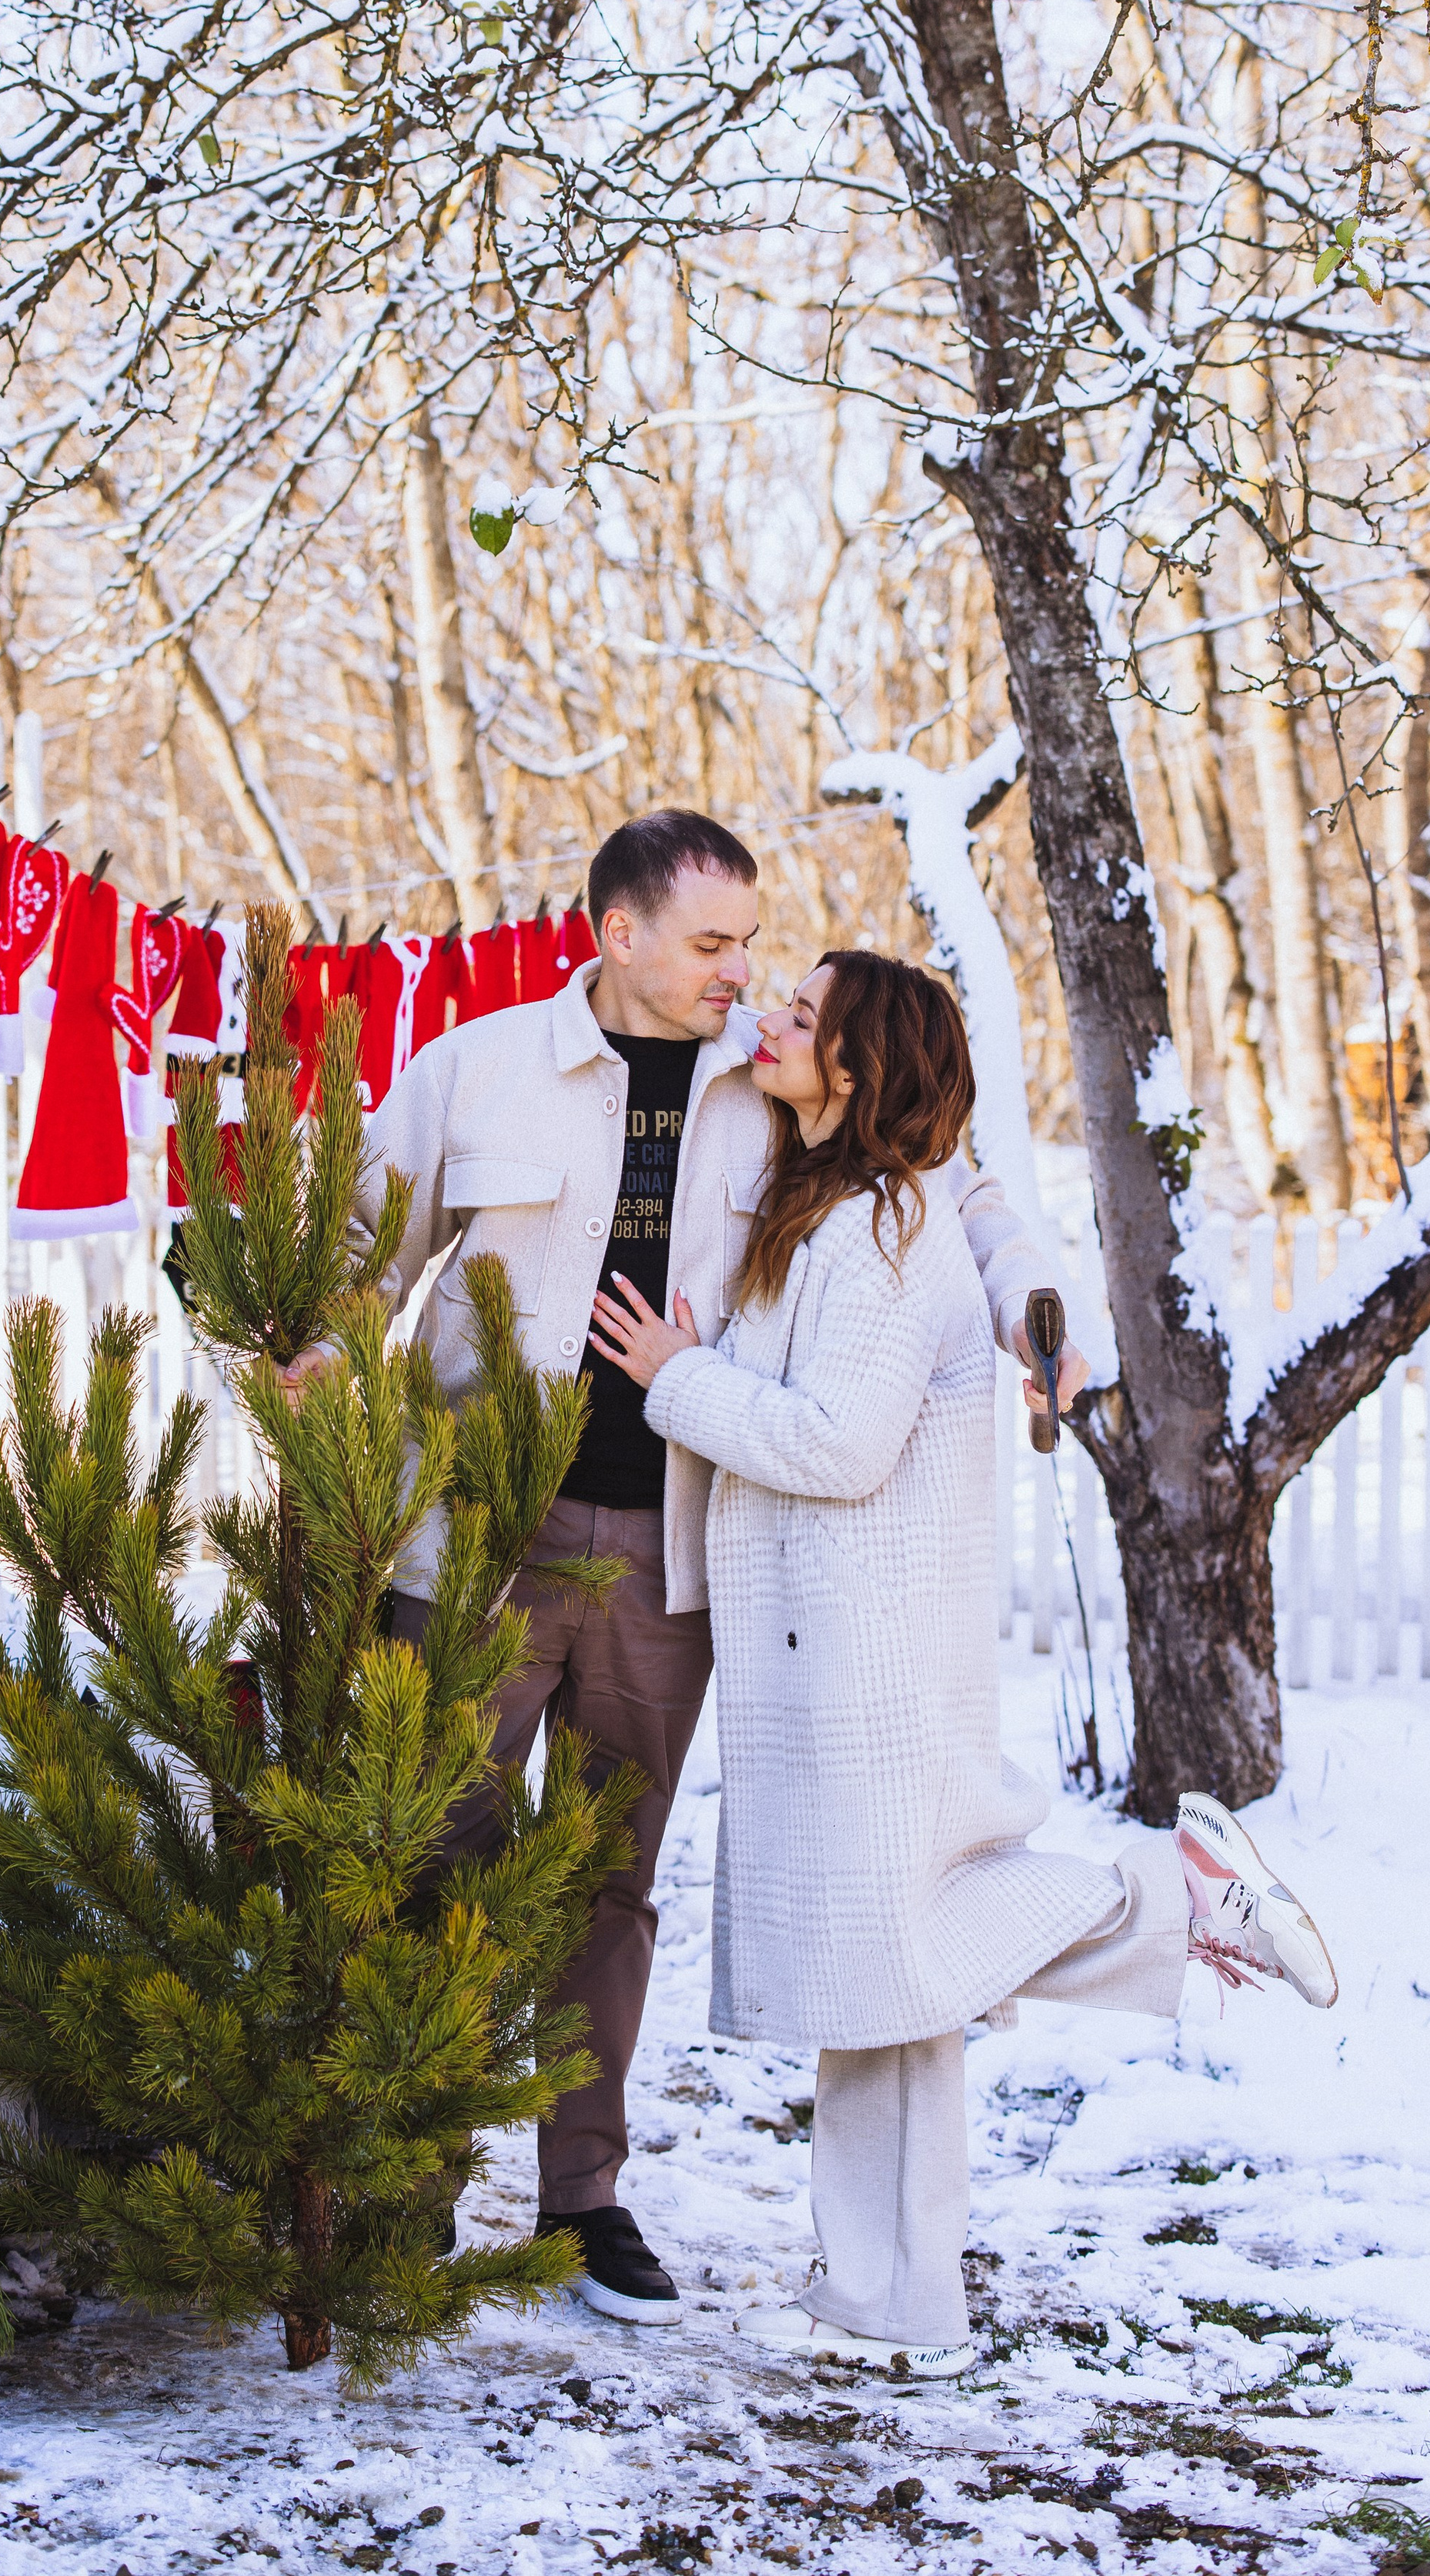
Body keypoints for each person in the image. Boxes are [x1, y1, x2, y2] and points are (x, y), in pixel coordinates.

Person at [286, 809, 1084, 2327]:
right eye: (711, 943)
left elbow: (961, 1196)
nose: (740, 970)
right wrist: (313, 1342)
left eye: (747, 940)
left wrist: (1040, 1314)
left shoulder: (772, 1076)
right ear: (618, 934)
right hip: (466, 1543)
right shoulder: (477, 1066)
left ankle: (579, 2196)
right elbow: (359, 1241)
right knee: (434, 1860)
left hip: (672, 1550)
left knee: (608, 1877)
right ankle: (408, 2188)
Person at [589, 949, 1338, 2374]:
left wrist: (673, 1378)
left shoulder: (882, 1231)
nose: (772, 1021)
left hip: (856, 1646)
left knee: (904, 1949)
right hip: (833, 1630)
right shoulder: (838, 1195)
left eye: (806, 1017)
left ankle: (1176, 1898)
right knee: (885, 1994)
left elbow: (836, 1442)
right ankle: (893, 2294)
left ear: (861, 1070)